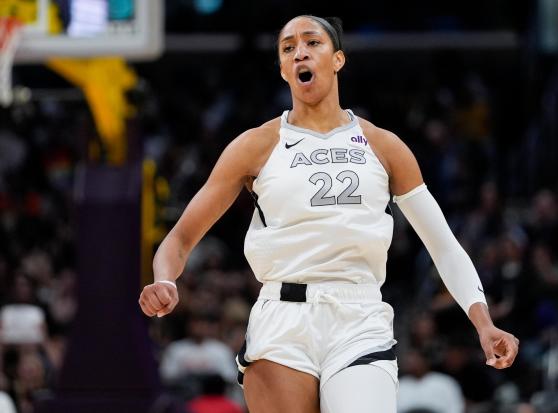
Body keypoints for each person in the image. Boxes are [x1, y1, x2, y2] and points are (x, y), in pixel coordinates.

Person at [139, 15, 519, 413]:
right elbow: (180, 238)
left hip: (359, 315)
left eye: (312, 42)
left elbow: (443, 246)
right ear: (284, 68)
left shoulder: (385, 146)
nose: (299, 51)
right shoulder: (254, 146)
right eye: (288, 48)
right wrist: (165, 280)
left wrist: (483, 321)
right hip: (282, 317)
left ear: (337, 59)